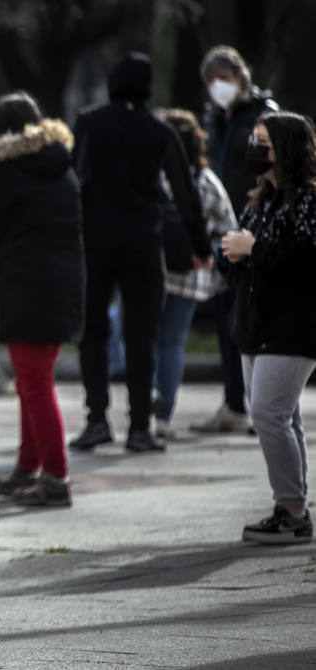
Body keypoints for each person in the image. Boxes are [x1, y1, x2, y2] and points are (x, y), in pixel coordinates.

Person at [68, 52, 211, 454]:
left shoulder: (89, 122)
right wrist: (200, 245)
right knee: (142, 336)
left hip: (95, 242)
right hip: (143, 243)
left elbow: (73, 175)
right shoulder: (160, 131)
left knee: (93, 333)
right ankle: (140, 428)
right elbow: (185, 194)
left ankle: (97, 420)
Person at [0, 92, 84, 507]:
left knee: (35, 385)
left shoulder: (5, 169)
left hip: (25, 283)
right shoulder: (63, 164)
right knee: (34, 381)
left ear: (0, 131)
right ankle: (27, 467)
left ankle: (55, 478)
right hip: (64, 282)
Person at [220, 111, 316, 545]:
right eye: (254, 140)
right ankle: (291, 505)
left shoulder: (308, 201)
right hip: (255, 324)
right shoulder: (259, 200)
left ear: (288, 149)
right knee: (281, 415)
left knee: (267, 413)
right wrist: (234, 255)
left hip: (292, 326)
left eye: (265, 143)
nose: (256, 150)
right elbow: (242, 259)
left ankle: (293, 511)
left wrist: (255, 249)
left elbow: (306, 262)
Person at [194, 45, 280, 435]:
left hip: (257, 225)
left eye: (223, 79)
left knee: (261, 315)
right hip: (223, 230)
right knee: (229, 317)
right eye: (211, 81)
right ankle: (235, 402)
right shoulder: (213, 121)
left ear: (241, 79)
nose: (217, 88)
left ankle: (265, 402)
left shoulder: (266, 116)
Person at [153, 109, 238, 439]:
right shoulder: (207, 181)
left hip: (155, 271)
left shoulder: (155, 178)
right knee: (172, 344)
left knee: (146, 340)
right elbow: (229, 227)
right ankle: (163, 418)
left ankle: (143, 407)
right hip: (194, 276)